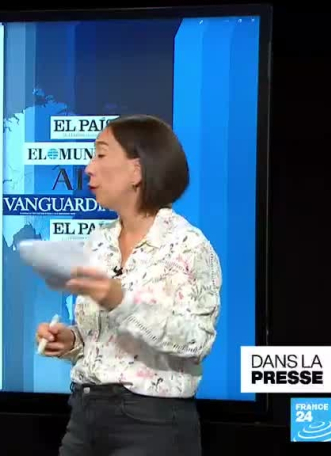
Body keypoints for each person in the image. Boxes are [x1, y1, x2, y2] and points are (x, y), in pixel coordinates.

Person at [35, 115, 221, 456]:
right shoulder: (98, 242)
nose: (88, 169)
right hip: (84, 418)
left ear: (136, 171)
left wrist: (120, 301)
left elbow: (197, 341)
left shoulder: (188, 247)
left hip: (152, 426)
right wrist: (71, 341)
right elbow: (104, 342)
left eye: (101, 155)